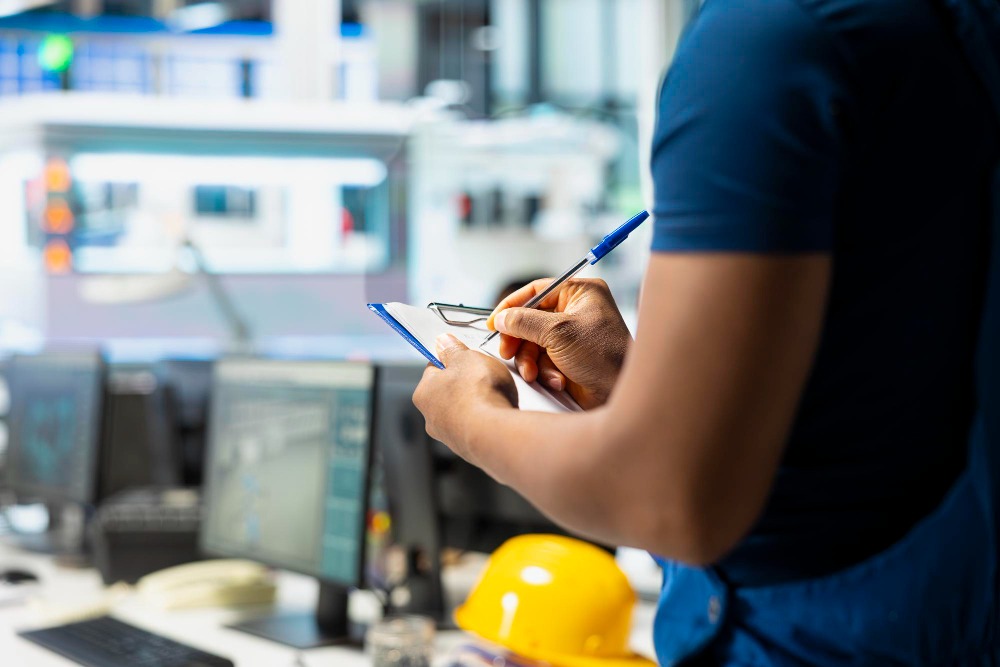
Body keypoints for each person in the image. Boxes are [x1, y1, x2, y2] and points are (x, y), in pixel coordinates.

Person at [413, 0, 1000, 663]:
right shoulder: (939, 31)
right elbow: (877, 383)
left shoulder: (767, 41)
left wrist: (471, 418)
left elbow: (670, 498)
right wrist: (639, 391)